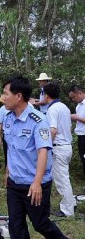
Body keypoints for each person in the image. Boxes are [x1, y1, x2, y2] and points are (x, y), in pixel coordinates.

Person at [1, 76, 77, 239]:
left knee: (40, 223)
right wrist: (8, 172)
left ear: (18, 96)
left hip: (36, 183)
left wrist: (36, 182)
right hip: (15, 182)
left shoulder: (38, 120)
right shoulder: (8, 118)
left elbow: (44, 151)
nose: (3, 98)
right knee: (16, 225)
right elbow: (12, 149)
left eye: (6, 94)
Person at [43, 82, 75, 217]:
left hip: (59, 147)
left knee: (62, 180)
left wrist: (46, 146)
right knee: (64, 177)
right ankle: (71, 203)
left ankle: (67, 210)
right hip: (67, 146)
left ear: (46, 95)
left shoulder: (52, 109)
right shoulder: (64, 107)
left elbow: (53, 130)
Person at [69, 84, 85, 178]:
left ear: (79, 93)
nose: (73, 99)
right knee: (83, 158)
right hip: (80, 135)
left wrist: (77, 117)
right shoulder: (79, 106)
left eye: (74, 97)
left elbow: (80, 118)